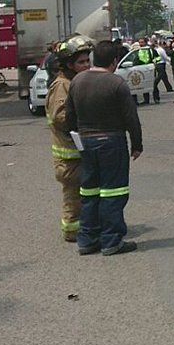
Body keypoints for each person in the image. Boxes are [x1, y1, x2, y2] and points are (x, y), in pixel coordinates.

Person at [67, 40, 143, 256]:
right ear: (115, 61)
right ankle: (111, 240)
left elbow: (69, 117)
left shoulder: (77, 82)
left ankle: (87, 239)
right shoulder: (116, 83)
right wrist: (137, 145)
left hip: (86, 142)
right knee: (113, 191)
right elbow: (131, 118)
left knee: (89, 191)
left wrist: (78, 137)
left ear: (93, 60)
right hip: (112, 142)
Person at [45, 34, 94, 242]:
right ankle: (72, 232)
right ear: (69, 64)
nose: (86, 65)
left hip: (77, 154)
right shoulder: (63, 85)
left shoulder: (75, 81)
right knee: (73, 198)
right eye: (81, 62)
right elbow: (61, 117)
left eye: (87, 60)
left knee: (83, 195)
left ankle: (83, 228)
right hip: (68, 158)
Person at [150, 37, 173, 102]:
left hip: (158, 64)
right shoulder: (160, 50)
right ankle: (158, 85)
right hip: (161, 64)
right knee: (161, 76)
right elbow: (165, 57)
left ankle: (169, 87)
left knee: (164, 76)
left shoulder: (156, 50)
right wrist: (171, 61)